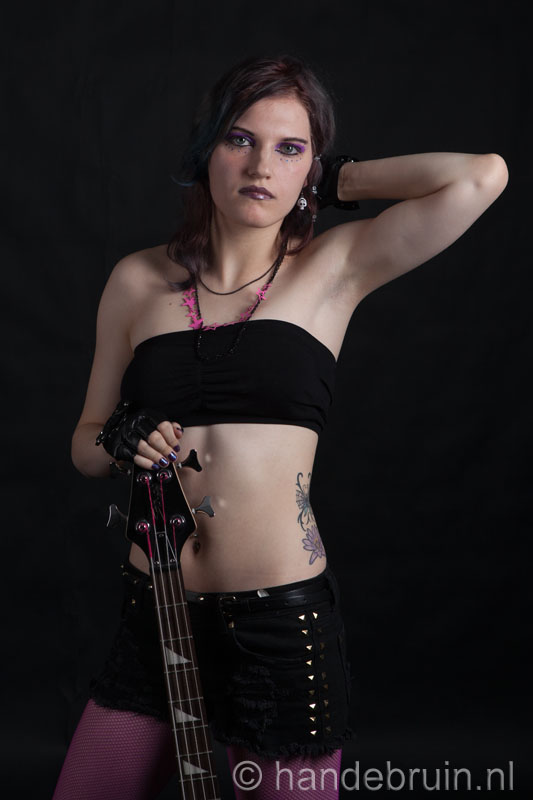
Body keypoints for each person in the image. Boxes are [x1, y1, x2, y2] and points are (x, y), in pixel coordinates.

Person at [52, 53, 508, 800]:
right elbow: (85, 442)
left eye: (289, 148)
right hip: (155, 614)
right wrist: (118, 439)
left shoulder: (332, 267)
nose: (261, 165)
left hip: (279, 630)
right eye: (240, 139)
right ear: (207, 148)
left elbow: (481, 176)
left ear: (311, 166)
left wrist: (333, 180)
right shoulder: (136, 280)